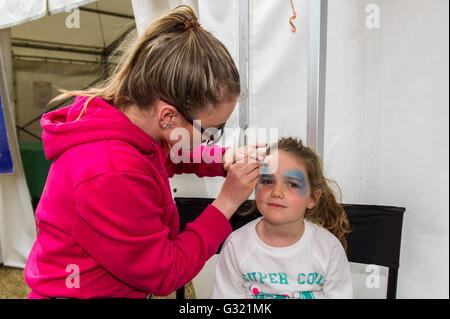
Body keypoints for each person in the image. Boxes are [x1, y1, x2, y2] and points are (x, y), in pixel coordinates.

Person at [24, 5, 265, 299]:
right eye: (211, 130)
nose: (212, 140)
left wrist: (222, 159)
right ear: (168, 117)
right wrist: (227, 201)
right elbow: (165, 272)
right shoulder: (110, 169)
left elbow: (166, 156)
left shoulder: (126, 126)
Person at [213, 137, 353, 299]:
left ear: (312, 199)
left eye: (292, 184)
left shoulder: (329, 249)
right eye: (267, 181)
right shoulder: (235, 246)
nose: (276, 192)